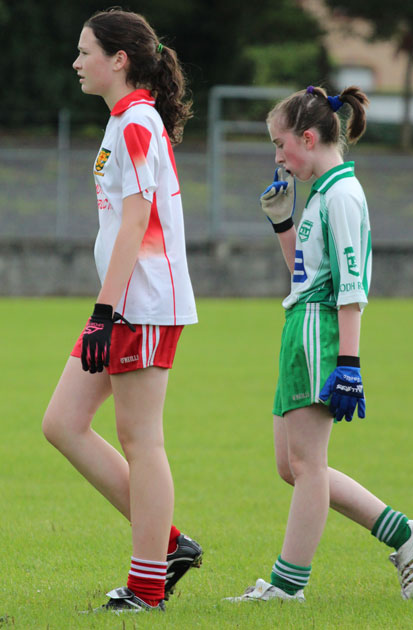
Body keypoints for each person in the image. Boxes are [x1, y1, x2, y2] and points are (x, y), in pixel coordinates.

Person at [227, 85, 413, 603]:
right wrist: (283, 223)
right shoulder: (322, 191)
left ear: (309, 136)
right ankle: (404, 533)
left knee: (307, 467)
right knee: (292, 466)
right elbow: (305, 273)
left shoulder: (342, 194)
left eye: (281, 145)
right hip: (300, 324)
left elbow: (349, 287)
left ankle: (286, 586)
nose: (277, 157)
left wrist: (348, 362)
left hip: (319, 331)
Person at [42, 8, 202, 614]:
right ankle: (168, 546)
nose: (77, 62)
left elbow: (138, 220)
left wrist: (104, 312)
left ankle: (147, 586)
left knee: (141, 440)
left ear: (119, 60)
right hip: (127, 304)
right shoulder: (127, 121)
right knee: (62, 423)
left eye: (85, 52)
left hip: (142, 304)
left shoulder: (136, 123)